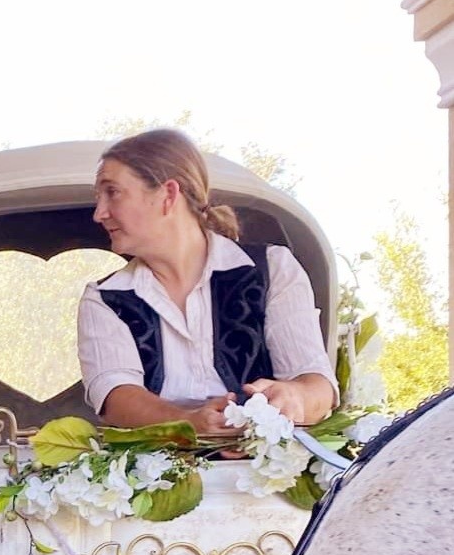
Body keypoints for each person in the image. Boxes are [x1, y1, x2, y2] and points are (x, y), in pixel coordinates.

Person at [78, 129, 337, 436]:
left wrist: (294, 397)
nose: (99, 214)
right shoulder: (105, 298)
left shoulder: (272, 269)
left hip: (269, 478)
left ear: (168, 195)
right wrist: (187, 423)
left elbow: (318, 385)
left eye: (113, 192)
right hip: (160, 479)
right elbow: (116, 397)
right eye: (99, 197)